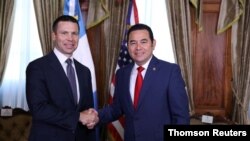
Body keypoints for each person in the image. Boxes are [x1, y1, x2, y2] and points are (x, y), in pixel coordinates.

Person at [97, 23, 190, 141]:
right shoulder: (122, 74)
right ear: (128, 46)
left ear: (153, 44)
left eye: (143, 41)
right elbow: (117, 108)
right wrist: (95, 116)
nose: (138, 47)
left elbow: (181, 117)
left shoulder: (170, 71)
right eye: (133, 42)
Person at [25, 15, 98, 141]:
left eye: (74, 33)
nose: (70, 39)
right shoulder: (37, 67)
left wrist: (93, 118)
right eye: (64, 33)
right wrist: (78, 117)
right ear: (54, 36)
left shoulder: (85, 71)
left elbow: (87, 109)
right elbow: (39, 109)